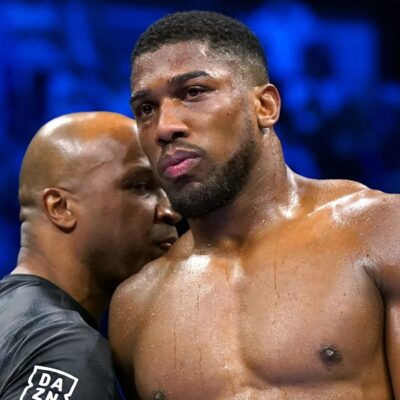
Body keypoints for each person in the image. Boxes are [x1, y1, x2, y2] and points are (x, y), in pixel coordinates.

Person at [109, 10, 400, 400]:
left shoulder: (380, 231)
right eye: (146, 108)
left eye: (193, 92)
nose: (164, 127)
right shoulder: (135, 308)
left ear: (265, 106)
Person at [0, 112, 180, 399]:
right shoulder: (64, 346)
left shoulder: (18, 324)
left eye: (166, 188)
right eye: (141, 187)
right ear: (60, 208)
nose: (171, 211)